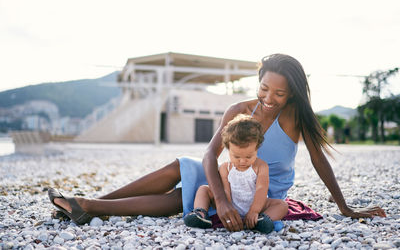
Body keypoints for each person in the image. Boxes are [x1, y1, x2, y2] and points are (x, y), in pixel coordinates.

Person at [48, 53, 386, 230]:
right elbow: (210, 154)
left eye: (279, 93)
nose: (269, 98)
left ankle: (88, 207)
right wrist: (221, 198)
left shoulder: (298, 116)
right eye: (264, 88)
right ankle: (87, 203)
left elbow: (319, 160)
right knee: (181, 166)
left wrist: (345, 207)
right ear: (258, 82)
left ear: (293, 92)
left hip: (262, 191)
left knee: (182, 197)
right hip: (227, 177)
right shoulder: (239, 110)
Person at [183, 114, 288, 234]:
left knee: (282, 205)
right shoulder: (225, 168)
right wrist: (229, 211)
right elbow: (226, 192)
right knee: (203, 189)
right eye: (236, 156)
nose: (243, 161)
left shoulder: (261, 166)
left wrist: (254, 211)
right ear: (228, 148)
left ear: (257, 148)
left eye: (249, 156)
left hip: (256, 204)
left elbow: (261, 190)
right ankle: (200, 214)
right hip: (232, 205)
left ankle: (261, 220)